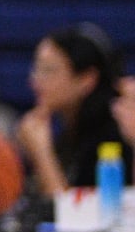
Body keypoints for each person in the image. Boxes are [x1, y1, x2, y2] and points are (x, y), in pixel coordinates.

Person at [18, 23, 126, 197]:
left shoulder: (113, 138)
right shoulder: (68, 132)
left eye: (48, 71)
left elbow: (75, 217)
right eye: (36, 70)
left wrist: (41, 153)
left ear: (86, 79)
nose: (35, 82)